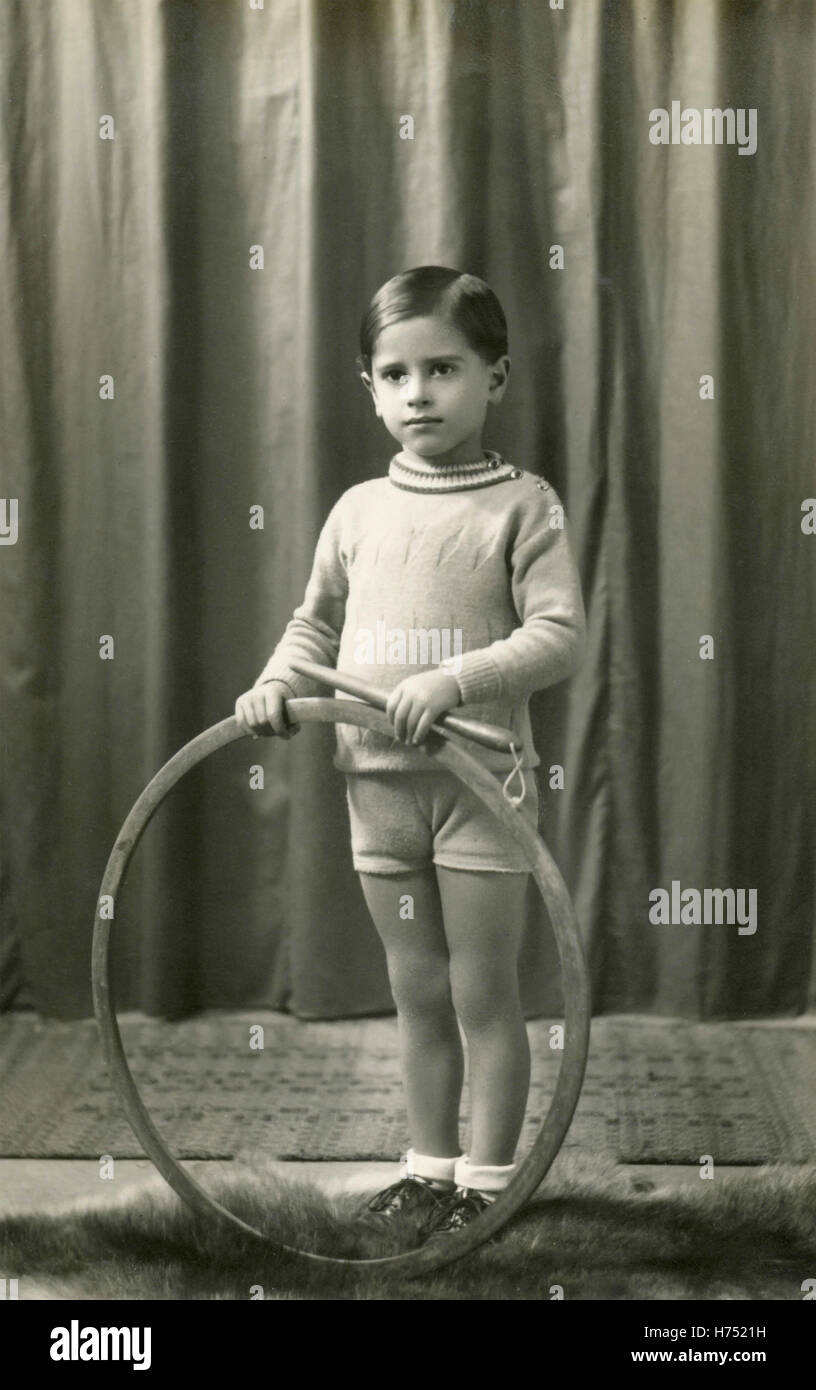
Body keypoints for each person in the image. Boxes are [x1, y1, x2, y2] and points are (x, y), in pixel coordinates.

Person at [235, 266, 586, 1239]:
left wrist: (456, 678)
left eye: (444, 368)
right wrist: (275, 682)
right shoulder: (355, 511)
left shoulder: (524, 504)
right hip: (377, 794)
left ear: (497, 378)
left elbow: (560, 634)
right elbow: (312, 628)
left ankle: (488, 1183)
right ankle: (428, 1172)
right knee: (416, 987)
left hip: (482, 792)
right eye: (394, 374)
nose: (418, 393)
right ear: (370, 388)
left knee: (482, 987)